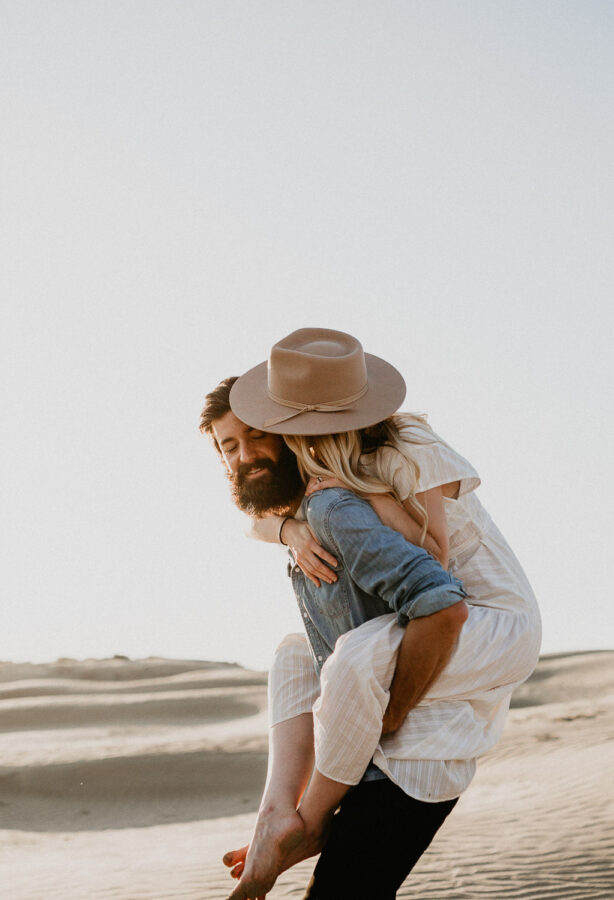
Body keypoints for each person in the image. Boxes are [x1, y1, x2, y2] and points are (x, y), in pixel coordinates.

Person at [200, 329, 541, 899]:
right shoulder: (316, 480)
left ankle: (306, 821)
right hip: (442, 613)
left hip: (494, 620)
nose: (244, 455)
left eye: (258, 436)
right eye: (227, 447)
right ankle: (275, 813)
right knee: (292, 655)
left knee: (353, 660)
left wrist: (390, 712)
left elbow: (437, 565)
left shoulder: (403, 446)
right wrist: (290, 527)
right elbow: (255, 519)